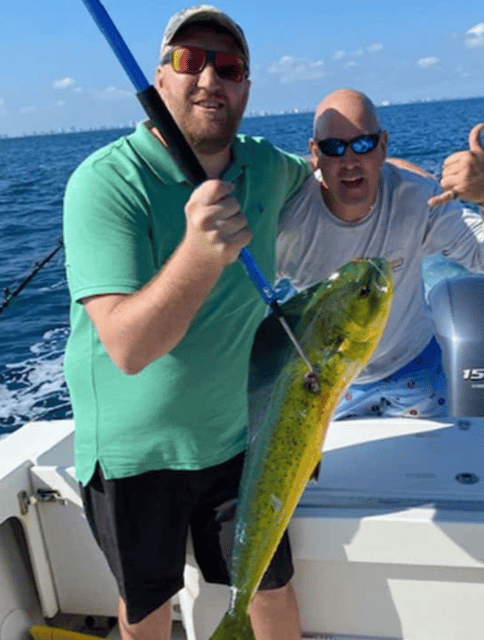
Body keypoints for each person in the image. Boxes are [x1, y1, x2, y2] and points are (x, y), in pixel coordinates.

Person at [63, 6, 310, 640]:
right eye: (188, 61)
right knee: (146, 611)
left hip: (237, 439)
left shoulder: (267, 166)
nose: (209, 80)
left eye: (228, 67)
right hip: (134, 455)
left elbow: (343, 181)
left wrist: (466, 187)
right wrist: (200, 255)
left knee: (271, 591)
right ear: (160, 77)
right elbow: (128, 346)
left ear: (246, 88)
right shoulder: (105, 182)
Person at [277, 89, 484, 419]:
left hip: (414, 370)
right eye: (333, 148)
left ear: (382, 146)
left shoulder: (418, 198)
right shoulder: (289, 222)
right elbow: (238, 307)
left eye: (363, 144)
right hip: (323, 383)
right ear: (315, 154)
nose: (349, 160)